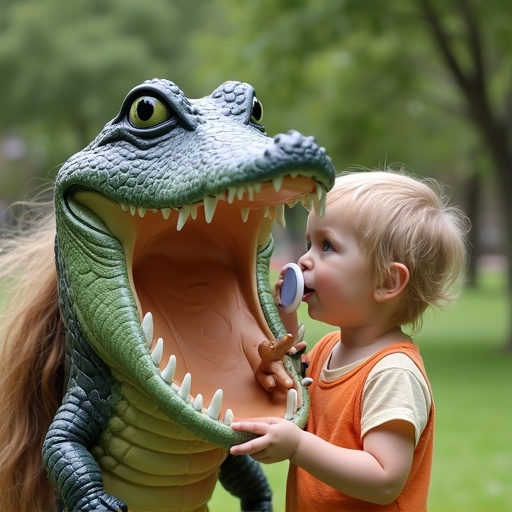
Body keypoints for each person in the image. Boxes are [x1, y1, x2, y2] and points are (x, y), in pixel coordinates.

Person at [230, 169, 469, 511]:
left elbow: (384, 479)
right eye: (310, 242)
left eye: (327, 246)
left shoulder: (393, 372)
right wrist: (283, 316)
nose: (304, 259)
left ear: (387, 281)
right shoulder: (329, 349)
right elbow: (292, 401)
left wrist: (298, 447)